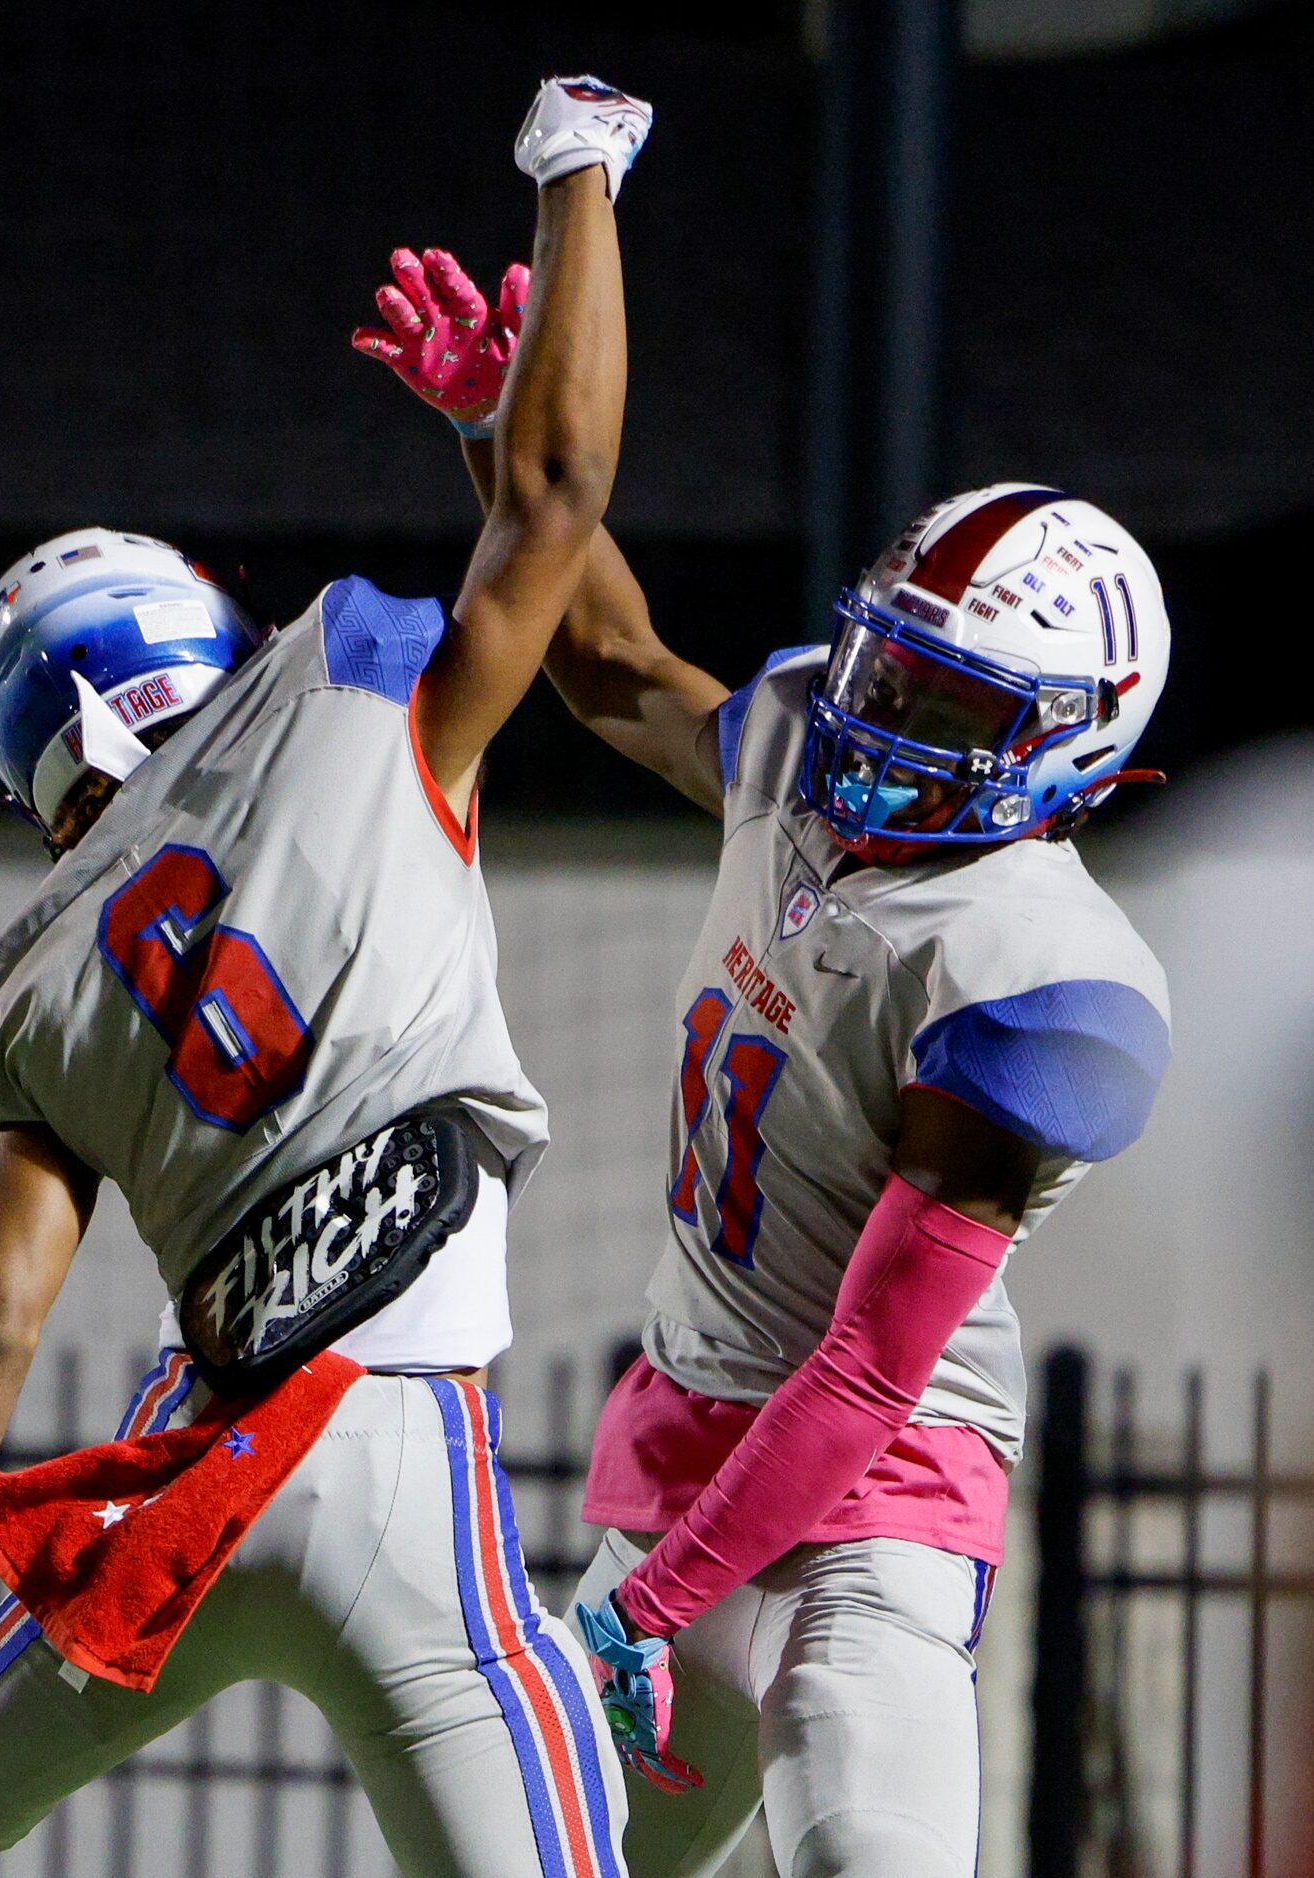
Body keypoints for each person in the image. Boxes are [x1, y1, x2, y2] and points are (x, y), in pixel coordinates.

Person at [0, 75, 654, 1878]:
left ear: (31, 767)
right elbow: (554, 506)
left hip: (189, 1486)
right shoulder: (357, 690)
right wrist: (577, 180)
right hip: (408, 1457)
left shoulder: (19, 988)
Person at [358, 256, 1171, 1875]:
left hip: (863, 1512)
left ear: (1065, 746)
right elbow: (602, 666)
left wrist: (642, 1614)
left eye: (944, 704)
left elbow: (870, 1370)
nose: (878, 720)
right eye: (891, 666)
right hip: (688, 1461)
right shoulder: (808, 746)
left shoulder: (1033, 969)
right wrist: (492, 422)